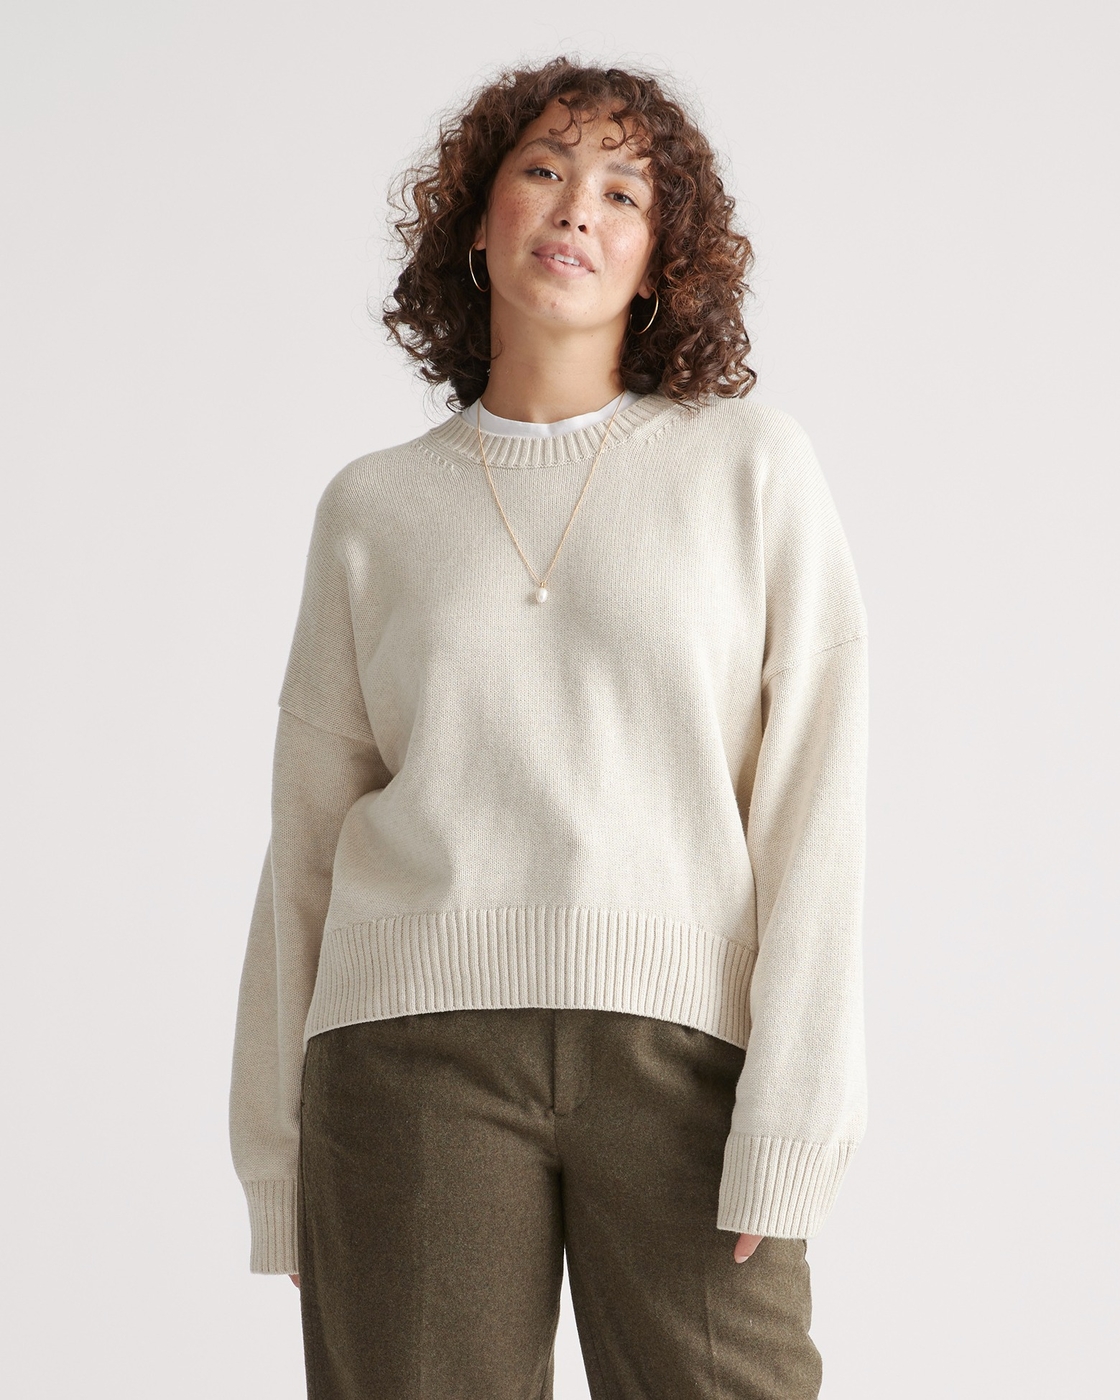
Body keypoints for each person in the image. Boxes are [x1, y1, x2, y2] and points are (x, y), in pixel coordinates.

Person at [229, 55, 869, 1400]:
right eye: (543, 169)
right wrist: (277, 1166)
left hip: (683, 1061)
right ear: (478, 220)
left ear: (660, 261)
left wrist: (797, 1120)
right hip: (407, 1055)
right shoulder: (372, 510)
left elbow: (816, 806)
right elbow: (303, 846)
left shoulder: (750, 469)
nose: (578, 204)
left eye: (623, 191)